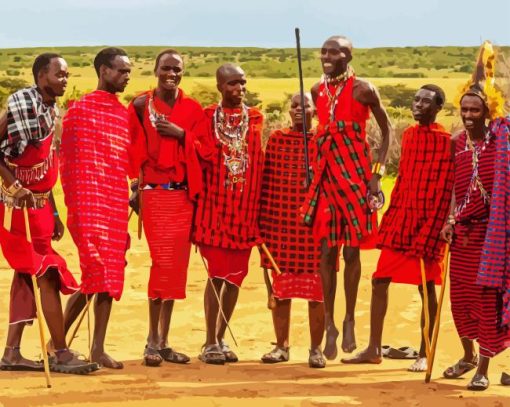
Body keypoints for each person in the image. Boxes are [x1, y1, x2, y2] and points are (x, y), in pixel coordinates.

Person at [341, 85, 454, 372]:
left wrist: (439, 225)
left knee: (426, 287)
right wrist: (391, 214)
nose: (418, 105)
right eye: (416, 100)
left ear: (438, 107)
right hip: (402, 217)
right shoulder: (409, 135)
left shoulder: (447, 141)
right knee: (380, 280)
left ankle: (425, 352)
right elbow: (404, 178)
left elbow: (446, 187)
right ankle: (374, 348)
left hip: (429, 222)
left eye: (426, 102)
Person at [0, 53, 97, 374]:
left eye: (67, 75)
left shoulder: (50, 109)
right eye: (61, 75)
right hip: (16, 210)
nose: (66, 81)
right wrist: (15, 185)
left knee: (27, 276)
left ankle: (12, 353)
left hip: (40, 209)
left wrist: (54, 212)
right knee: (48, 272)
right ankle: (61, 351)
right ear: (43, 75)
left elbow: (46, 168)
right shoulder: (19, 105)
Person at [301, 35, 391, 359]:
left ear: (348, 56)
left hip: (355, 175)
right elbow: (316, 131)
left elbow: (387, 130)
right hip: (326, 174)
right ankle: (329, 323)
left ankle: (349, 317)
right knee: (327, 251)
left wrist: (377, 176)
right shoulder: (316, 90)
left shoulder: (363, 89)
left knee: (352, 252)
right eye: (323, 51)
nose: (327, 56)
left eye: (334, 51)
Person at [128, 49, 206, 366]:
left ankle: (164, 342)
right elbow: (130, 146)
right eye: (166, 68)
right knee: (161, 264)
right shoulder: (140, 105)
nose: (171, 74)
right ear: (156, 70)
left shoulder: (192, 109)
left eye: (177, 69)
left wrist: (182, 133)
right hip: (155, 194)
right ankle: (150, 340)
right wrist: (134, 186)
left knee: (176, 269)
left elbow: (204, 149)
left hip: (184, 196)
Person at [59, 47, 132, 369]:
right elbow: (68, 163)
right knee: (96, 270)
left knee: (110, 273)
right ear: (103, 71)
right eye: (121, 71)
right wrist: (76, 203)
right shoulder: (79, 110)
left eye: (129, 71)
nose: (126, 76)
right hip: (86, 201)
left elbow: (123, 159)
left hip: (114, 200)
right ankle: (57, 343)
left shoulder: (122, 112)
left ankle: (97, 348)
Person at [192, 63, 264, 365]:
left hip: (246, 210)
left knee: (235, 278)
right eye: (233, 83)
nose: (239, 89)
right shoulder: (207, 118)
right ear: (220, 86)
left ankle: (221, 337)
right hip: (214, 208)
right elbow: (196, 153)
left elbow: (260, 161)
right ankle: (209, 340)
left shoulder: (256, 118)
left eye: (243, 82)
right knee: (216, 275)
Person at [440, 88, 509, 391]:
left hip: (492, 235)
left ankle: (483, 367)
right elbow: (454, 187)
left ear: (488, 111)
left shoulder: (502, 143)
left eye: (475, 111)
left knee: (486, 301)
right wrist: (448, 220)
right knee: (460, 301)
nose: (468, 116)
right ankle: (467, 355)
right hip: (463, 236)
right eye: (464, 110)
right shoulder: (457, 143)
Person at [259, 92, 326, 368]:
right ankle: (281, 346)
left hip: (314, 227)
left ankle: (315, 349)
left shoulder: (322, 141)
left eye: (305, 106)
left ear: (315, 110)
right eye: (295, 106)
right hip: (280, 224)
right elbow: (266, 181)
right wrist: (261, 223)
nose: (299, 110)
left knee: (317, 291)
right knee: (282, 289)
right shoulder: (277, 140)